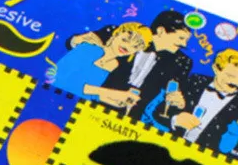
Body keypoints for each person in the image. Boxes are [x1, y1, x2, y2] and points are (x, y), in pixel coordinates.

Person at [65, 10, 193, 116]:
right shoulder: (122, 33)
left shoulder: (182, 62)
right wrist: (76, 41)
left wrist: (179, 103)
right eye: (181, 38)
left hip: (132, 116)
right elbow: (75, 45)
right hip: (88, 102)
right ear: (161, 31)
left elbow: (173, 95)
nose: (184, 44)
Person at [139, 49, 238, 145]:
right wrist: (175, 119)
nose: (235, 83)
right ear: (215, 69)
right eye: (230, 76)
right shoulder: (195, 81)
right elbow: (158, 112)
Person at [51, 22, 152, 105]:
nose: (127, 47)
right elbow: (61, 79)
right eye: (124, 40)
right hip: (54, 96)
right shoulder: (90, 48)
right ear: (116, 34)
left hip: (77, 104)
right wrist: (114, 94)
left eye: (135, 47)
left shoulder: (115, 65)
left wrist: (114, 101)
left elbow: (91, 93)